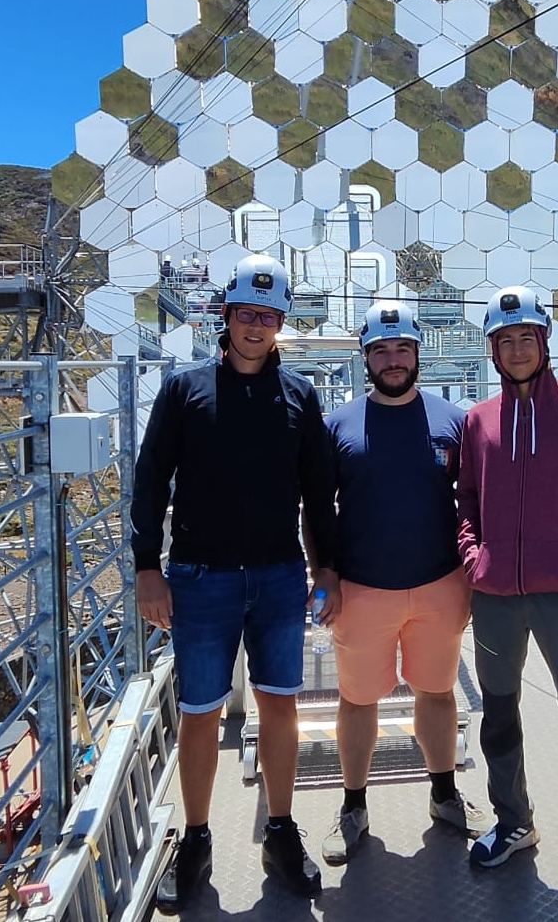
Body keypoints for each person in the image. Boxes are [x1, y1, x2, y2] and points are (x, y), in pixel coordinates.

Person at [131, 253, 335, 911]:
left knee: (281, 705)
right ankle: (195, 841)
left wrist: (324, 566)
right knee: (200, 712)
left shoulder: (300, 398)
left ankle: (280, 828)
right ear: (226, 316)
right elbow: (148, 479)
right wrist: (146, 569)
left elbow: (318, 492)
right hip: (200, 579)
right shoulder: (184, 391)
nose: (257, 326)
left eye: (269, 316)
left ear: (280, 323)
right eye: (247, 313)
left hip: (277, 578)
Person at [457, 285, 558, 895]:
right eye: (506, 340)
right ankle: (513, 823)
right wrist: (475, 558)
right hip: (496, 599)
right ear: (494, 350)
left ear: (545, 342)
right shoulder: (479, 421)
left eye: (528, 337)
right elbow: (466, 503)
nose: (518, 349)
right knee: (498, 716)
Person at [312, 300, 488, 866]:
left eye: (403, 349)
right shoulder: (335, 426)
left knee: (436, 693)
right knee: (358, 699)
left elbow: (479, 501)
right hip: (362, 590)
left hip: (441, 584)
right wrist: (325, 578)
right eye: (382, 350)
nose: (393, 360)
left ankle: (444, 795)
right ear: (366, 358)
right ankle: (354, 806)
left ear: (418, 354)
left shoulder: (453, 421)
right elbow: (316, 511)